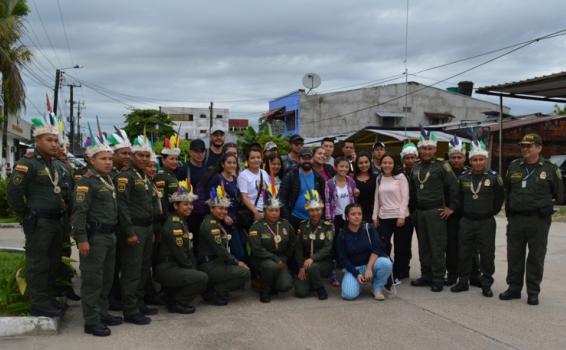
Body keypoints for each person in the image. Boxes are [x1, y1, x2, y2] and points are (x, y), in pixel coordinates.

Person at [7, 115, 66, 317]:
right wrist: (26, 215)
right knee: (38, 263)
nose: (53, 144)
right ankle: (39, 303)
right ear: (37, 141)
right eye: (48, 140)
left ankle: (49, 298)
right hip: (39, 222)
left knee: (52, 261)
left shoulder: (53, 164)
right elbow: (13, 193)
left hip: (55, 221)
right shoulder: (27, 164)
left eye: (55, 140)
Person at [500, 133, 564, 305]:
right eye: (523, 146)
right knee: (514, 255)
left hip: (538, 220)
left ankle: (533, 291)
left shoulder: (550, 168)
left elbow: (560, 195)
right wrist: (509, 209)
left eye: (529, 146)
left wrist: (548, 208)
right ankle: (513, 288)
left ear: (539, 148)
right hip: (516, 220)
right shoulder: (514, 166)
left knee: (536, 257)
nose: (525, 149)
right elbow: (507, 190)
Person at [72, 135, 122, 336]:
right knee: (93, 280)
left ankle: (102, 312)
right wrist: (82, 239)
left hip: (109, 236)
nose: (108, 162)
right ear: (91, 160)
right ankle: (91, 321)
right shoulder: (87, 182)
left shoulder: (107, 179)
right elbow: (79, 213)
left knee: (107, 279)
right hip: (95, 238)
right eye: (103, 159)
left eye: (110, 158)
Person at [451, 138, 504, 298]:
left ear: (485, 160)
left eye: (481, 159)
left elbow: (499, 199)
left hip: (486, 221)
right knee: (464, 252)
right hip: (467, 221)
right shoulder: (464, 178)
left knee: (487, 254)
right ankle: (463, 281)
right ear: (470, 161)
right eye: (475, 160)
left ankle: (486, 283)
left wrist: (488, 212)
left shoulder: (494, 178)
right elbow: (458, 198)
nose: (478, 163)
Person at [409, 127, 459, 292]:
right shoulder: (415, 167)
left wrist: (451, 207)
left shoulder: (442, 166)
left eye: (430, 148)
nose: (426, 151)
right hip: (420, 212)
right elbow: (413, 190)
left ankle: (438, 277)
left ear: (435, 149)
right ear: (419, 148)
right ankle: (426, 275)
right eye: (423, 148)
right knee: (423, 246)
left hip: (436, 212)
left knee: (437, 246)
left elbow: (454, 187)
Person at [114, 135, 157, 325]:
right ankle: (130, 309)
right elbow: (122, 206)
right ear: (132, 156)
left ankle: (139, 302)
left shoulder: (143, 175)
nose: (145, 159)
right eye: (141, 155)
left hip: (147, 228)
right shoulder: (125, 176)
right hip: (135, 229)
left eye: (148, 155)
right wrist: (129, 232)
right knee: (132, 271)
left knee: (143, 268)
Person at [155, 181, 208, 314]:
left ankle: (172, 296)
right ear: (175, 205)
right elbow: (179, 253)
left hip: (174, 265)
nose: (189, 207)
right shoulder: (174, 224)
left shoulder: (182, 221)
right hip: (168, 267)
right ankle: (177, 302)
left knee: (198, 274)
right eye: (185, 204)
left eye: (191, 204)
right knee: (201, 278)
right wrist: (192, 269)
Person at [197, 187, 251, 305]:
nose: (224, 212)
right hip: (209, 265)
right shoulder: (211, 225)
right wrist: (236, 262)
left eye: (226, 209)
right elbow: (220, 250)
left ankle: (215, 288)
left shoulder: (216, 222)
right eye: (220, 208)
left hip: (216, 262)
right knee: (245, 273)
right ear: (211, 208)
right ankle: (214, 290)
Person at [336, 204, 392, 300]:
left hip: (371, 264)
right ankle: (358, 285)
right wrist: (356, 274)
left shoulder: (369, 228)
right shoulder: (342, 235)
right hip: (354, 268)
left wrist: (369, 268)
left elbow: (376, 249)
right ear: (347, 217)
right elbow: (343, 259)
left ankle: (377, 287)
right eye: (353, 214)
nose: (357, 216)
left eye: (359, 214)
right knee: (348, 295)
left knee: (386, 263)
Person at [249, 189, 295, 302]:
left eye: (277, 210)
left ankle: (269, 282)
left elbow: (292, 243)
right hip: (262, 259)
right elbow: (257, 249)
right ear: (264, 211)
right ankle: (265, 290)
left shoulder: (285, 224)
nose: (274, 213)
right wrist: (275, 258)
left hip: (280, 259)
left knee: (285, 286)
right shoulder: (257, 226)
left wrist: (285, 258)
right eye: (271, 210)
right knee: (270, 266)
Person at [372, 154, 411, 286]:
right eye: (384, 162)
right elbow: (377, 199)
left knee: (401, 247)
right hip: (384, 217)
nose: (387, 165)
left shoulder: (400, 177)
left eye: (390, 162)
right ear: (380, 164)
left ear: (394, 164)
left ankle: (398, 273)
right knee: (384, 246)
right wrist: (374, 216)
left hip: (400, 217)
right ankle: (387, 271)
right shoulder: (379, 178)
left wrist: (401, 216)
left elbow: (405, 198)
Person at [198, 153, 245, 261]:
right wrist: (224, 216)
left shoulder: (235, 179)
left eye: (234, 163)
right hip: (223, 220)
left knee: (241, 251)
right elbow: (210, 200)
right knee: (234, 251)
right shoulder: (217, 179)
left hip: (235, 220)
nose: (232, 165)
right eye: (229, 162)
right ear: (223, 164)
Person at [106, 128, 132, 311]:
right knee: (110, 267)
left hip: (118, 227)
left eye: (129, 154)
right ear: (113, 154)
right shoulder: (109, 174)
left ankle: (115, 297)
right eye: (123, 153)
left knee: (118, 264)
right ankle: (110, 299)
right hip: (108, 227)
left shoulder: (119, 174)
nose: (127, 157)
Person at [294, 191, 333, 299]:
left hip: (324, 263)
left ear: (322, 210)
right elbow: (299, 249)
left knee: (313, 267)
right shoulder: (302, 226)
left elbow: (327, 248)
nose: (315, 213)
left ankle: (320, 288)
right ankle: (311, 282)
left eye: (317, 209)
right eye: (311, 210)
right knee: (300, 293)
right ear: (307, 211)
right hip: (306, 264)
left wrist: (312, 258)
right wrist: (301, 266)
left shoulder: (327, 226)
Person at [279, 148, 326, 230]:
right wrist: (287, 218)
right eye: (304, 159)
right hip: (294, 218)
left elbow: (323, 199)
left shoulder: (319, 178)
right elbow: (282, 198)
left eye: (309, 158)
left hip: (314, 219)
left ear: (313, 159)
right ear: (298, 159)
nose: (307, 161)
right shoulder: (290, 175)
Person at [445, 135, 469, 286]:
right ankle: (452, 274)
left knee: (469, 248)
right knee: (451, 247)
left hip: (467, 216)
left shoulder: (470, 173)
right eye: (453, 157)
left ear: (464, 157)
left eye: (459, 157)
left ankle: (471, 275)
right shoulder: (445, 173)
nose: (456, 160)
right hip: (450, 216)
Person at [238, 148, 271, 228]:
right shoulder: (243, 175)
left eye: (258, 157)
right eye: (252, 158)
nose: (256, 160)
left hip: (266, 211)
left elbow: (269, 192)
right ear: (248, 160)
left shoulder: (264, 173)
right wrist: (255, 212)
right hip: (253, 212)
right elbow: (244, 197)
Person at [325, 156, 358, 236]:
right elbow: (327, 203)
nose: (344, 169)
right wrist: (329, 221)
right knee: (338, 240)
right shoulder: (329, 183)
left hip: (350, 216)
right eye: (341, 166)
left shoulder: (351, 181)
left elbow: (354, 200)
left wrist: (356, 194)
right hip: (337, 217)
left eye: (346, 167)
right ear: (335, 167)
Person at [353, 152, 376, 223]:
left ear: (370, 163)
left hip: (373, 213)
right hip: (356, 214)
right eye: (361, 163)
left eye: (366, 162)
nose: (364, 165)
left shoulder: (376, 178)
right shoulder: (352, 179)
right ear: (357, 165)